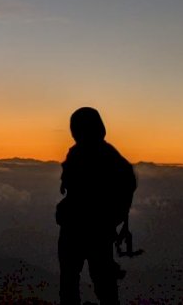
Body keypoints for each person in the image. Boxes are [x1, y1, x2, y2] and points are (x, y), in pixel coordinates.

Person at [56, 107, 137, 305]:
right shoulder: (99, 155)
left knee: (82, 282)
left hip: (84, 230)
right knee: (97, 283)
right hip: (92, 230)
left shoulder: (85, 155)